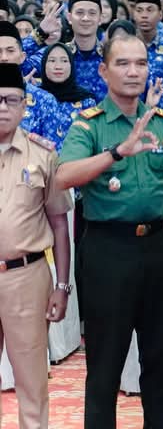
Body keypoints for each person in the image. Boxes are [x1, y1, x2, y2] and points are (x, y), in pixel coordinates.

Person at [55, 32, 163, 429]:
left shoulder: (162, 124)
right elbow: (64, 176)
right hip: (108, 251)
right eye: (123, 63)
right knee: (105, 363)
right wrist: (116, 152)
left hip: (158, 248)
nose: (134, 72)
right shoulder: (89, 125)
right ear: (103, 71)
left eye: (141, 63)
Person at [0, 62, 73, 429]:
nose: (2, 107)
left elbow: (59, 224)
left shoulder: (42, 155)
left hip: (25, 277)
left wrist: (62, 285)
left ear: (25, 105)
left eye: (11, 100)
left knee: (31, 379)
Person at [0, 21, 65, 146]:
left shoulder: (44, 100)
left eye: (10, 51)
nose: (4, 58)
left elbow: (54, 151)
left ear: (22, 57)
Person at [38, 43, 97, 150]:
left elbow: (93, 139)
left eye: (64, 61)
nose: (58, 66)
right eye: (52, 61)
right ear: (43, 65)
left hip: (77, 158)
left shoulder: (86, 101)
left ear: (71, 65)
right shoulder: (35, 98)